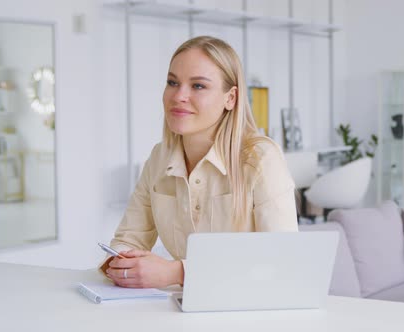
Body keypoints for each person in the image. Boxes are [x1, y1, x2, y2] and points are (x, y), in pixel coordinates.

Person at [100, 36, 298, 288]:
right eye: (173, 82)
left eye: (198, 86)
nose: (179, 95)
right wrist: (121, 262)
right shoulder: (158, 159)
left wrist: (177, 273)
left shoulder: (261, 159)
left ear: (231, 98)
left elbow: (284, 259)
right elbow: (129, 238)